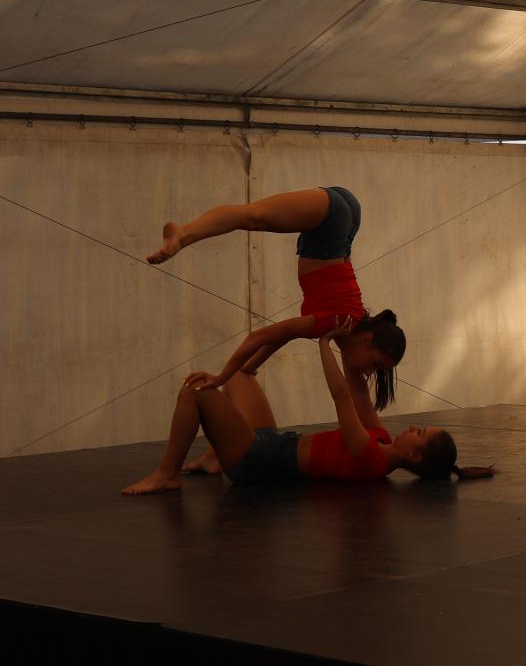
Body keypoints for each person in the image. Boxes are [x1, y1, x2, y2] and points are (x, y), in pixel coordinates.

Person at [120, 326, 486, 496]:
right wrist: (346, 338)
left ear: (415, 455)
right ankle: (216, 456)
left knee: (195, 392)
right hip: (273, 443)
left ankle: (168, 473)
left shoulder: (371, 459)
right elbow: (357, 388)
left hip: (258, 462)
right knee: (241, 375)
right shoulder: (380, 438)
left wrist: (324, 342)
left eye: (419, 434)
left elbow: (342, 397)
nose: (413, 427)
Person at [147, 187, 402, 403]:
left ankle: (183, 233)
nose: (368, 373)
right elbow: (258, 337)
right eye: (375, 364)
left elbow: (282, 337)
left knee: (254, 215)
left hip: (346, 217)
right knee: (253, 215)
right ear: (367, 339)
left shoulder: (352, 320)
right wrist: (221, 378)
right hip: (329, 226)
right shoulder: (333, 324)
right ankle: (182, 234)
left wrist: (250, 367)